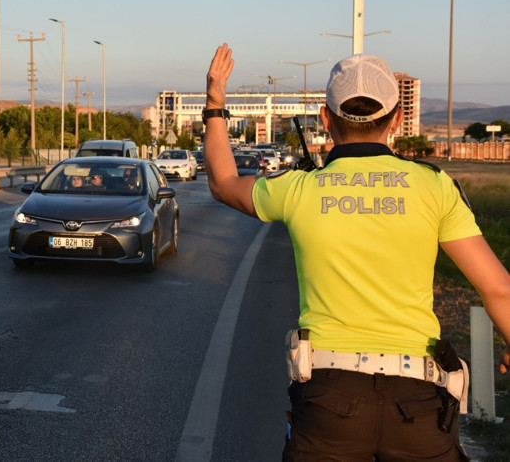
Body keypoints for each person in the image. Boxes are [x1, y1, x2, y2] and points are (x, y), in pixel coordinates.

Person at [203, 43, 510, 461]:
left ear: (326, 119)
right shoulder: (434, 186)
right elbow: (498, 289)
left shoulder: (298, 189)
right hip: (419, 402)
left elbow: (222, 182)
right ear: (397, 120)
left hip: (328, 401)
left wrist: (215, 105)